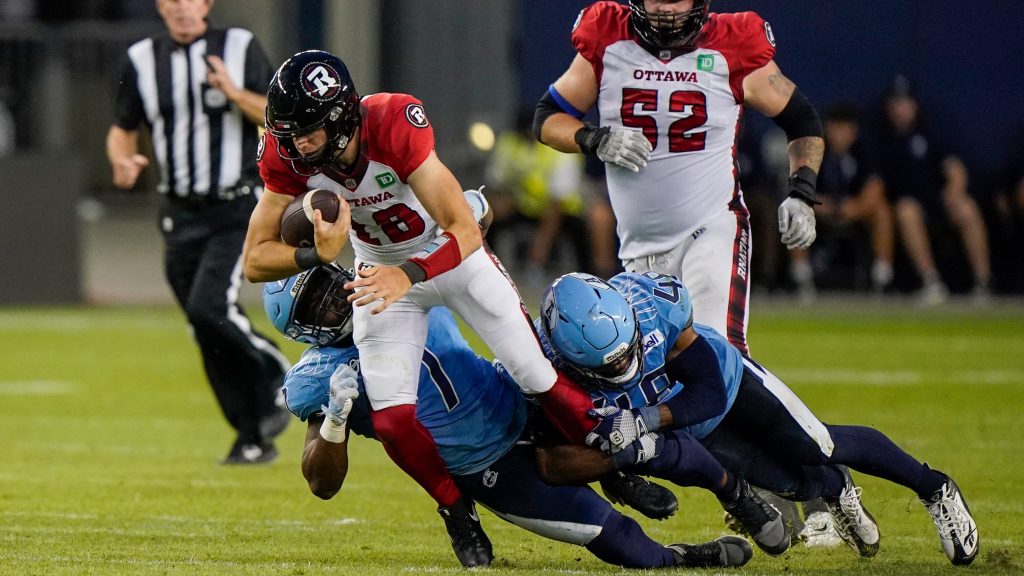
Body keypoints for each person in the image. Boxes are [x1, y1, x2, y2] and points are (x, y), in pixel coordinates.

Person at [242, 50, 598, 567]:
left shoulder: (391, 121)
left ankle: (622, 457)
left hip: (446, 255)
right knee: (392, 418)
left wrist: (407, 273)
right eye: (289, 134)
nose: (297, 145)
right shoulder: (288, 154)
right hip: (378, 269)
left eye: (308, 132)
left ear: (341, 119)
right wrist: (316, 254)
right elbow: (254, 260)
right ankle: (456, 510)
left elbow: (465, 229)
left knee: (536, 374)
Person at [263, 265, 753, 569]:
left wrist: (467, 217)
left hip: (521, 402)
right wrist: (334, 420)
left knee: (643, 441)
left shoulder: (391, 281)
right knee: (613, 536)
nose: (333, 301)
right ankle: (684, 557)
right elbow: (321, 483)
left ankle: (726, 492)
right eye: (316, 306)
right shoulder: (319, 376)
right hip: (485, 464)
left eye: (326, 286)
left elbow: (456, 253)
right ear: (303, 329)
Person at [537, 271, 980, 566]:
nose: (623, 365)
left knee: (819, 444)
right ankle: (838, 488)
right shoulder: (547, 372)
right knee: (796, 485)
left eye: (626, 352)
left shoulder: (653, 306)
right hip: (693, 430)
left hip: (731, 385)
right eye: (609, 365)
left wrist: (645, 419)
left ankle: (934, 488)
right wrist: (620, 473)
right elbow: (571, 446)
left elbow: (709, 392)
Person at [533, 0, 825, 356]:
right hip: (638, 248)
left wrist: (801, 192)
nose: (665, 9)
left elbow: (802, 121)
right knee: (648, 365)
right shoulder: (608, 40)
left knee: (716, 353)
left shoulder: (732, 45)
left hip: (710, 228)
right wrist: (594, 138)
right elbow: (547, 117)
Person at [106, 0, 290, 464]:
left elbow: (277, 115)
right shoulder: (142, 59)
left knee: (211, 309)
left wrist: (233, 91)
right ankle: (251, 433)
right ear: (160, 5)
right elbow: (122, 127)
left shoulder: (240, 46)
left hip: (235, 206)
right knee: (203, 326)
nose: (183, 8)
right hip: (178, 213)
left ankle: (277, 370)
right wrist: (122, 160)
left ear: (206, 3)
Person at [879, 75, 992, 305]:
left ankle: (983, 281)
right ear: (888, 107)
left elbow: (955, 169)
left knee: (967, 208)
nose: (900, 109)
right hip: (908, 206)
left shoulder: (930, 134)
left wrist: (954, 191)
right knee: (906, 210)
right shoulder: (883, 141)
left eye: (905, 102)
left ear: (914, 105)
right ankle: (931, 281)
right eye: (895, 103)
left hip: (939, 201)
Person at [789, 102, 894, 298]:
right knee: (796, 207)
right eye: (835, 128)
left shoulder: (865, 150)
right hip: (821, 210)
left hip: (857, 210)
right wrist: (822, 205)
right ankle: (801, 278)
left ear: (853, 131)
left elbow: (876, 187)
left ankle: (882, 278)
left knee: (882, 211)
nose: (840, 134)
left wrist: (856, 207)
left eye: (845, 128)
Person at [484, 108, 588, 287]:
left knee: (577, 229)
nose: (528, 138)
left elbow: (558, 202)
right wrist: (501, 201)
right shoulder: (509, 142)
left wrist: (538, 251)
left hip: (561, 210)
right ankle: (488, 268)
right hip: (522, 205)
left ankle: (584, 279)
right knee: (488, 215)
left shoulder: (559, 147)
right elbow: (496, 183)